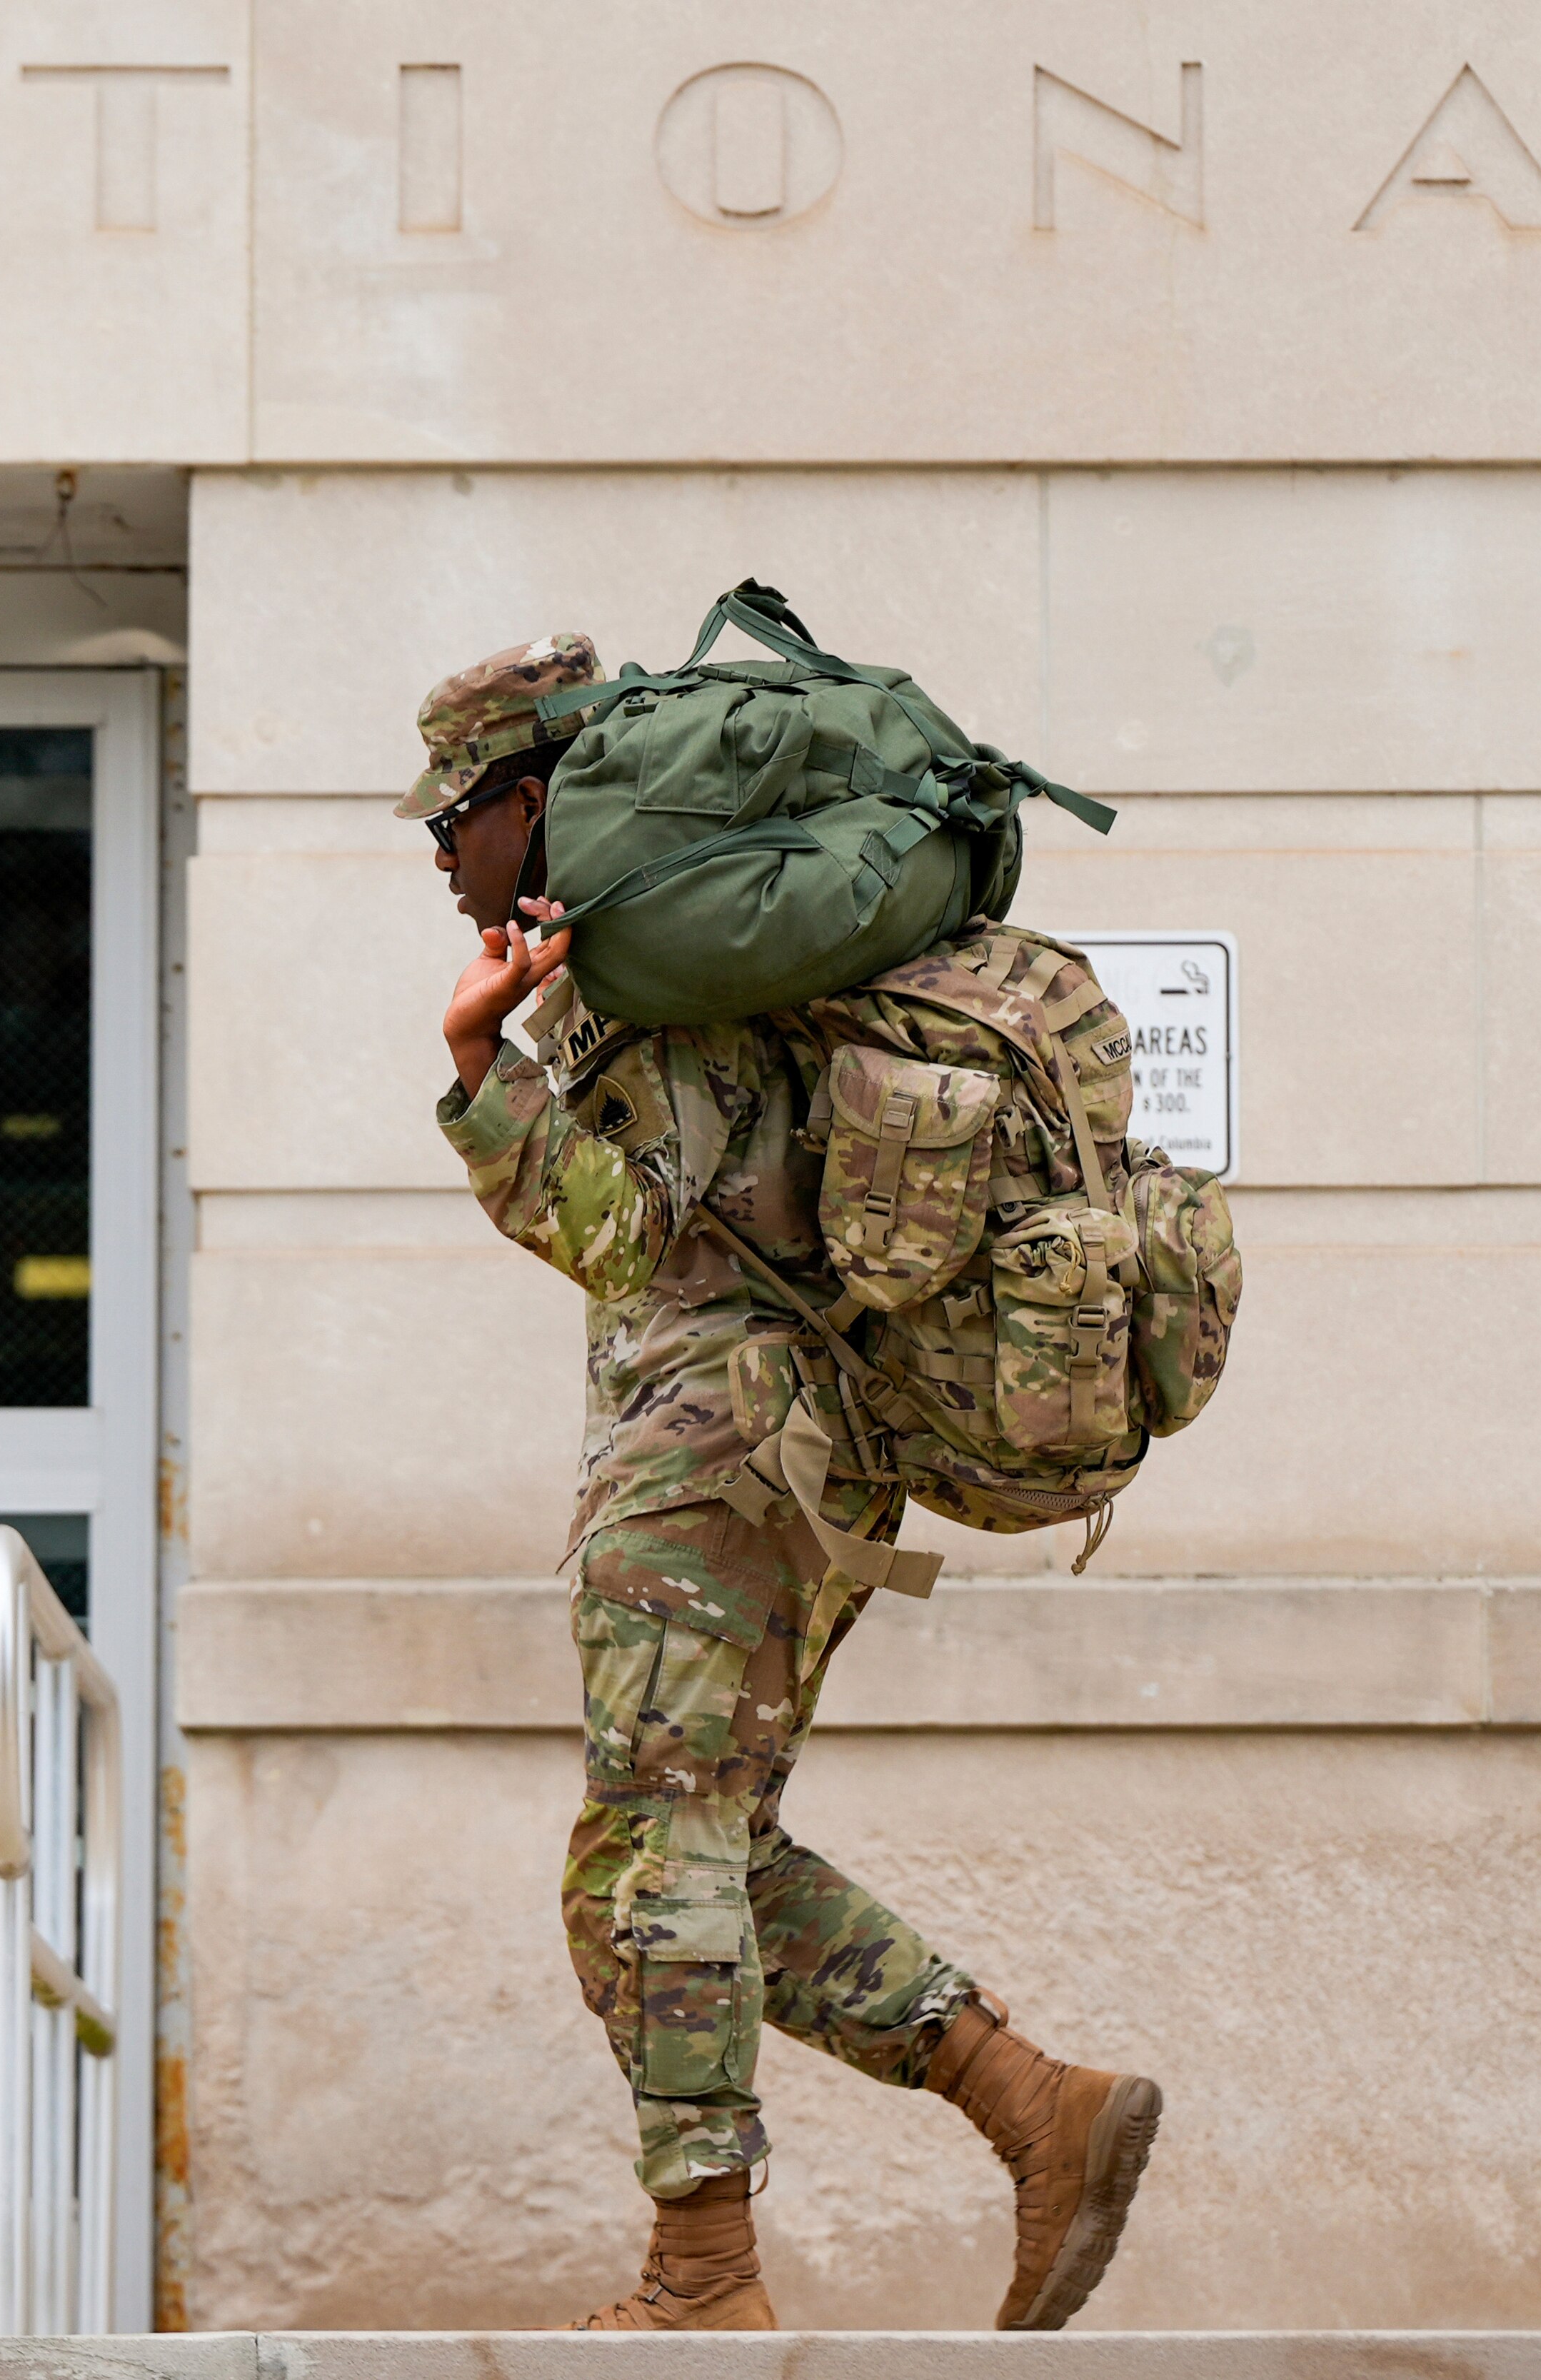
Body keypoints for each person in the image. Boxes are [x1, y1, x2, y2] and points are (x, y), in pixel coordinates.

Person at [402, 631, 1163, 2332]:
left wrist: (480, 1073)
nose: (443, 865)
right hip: (806, 1456)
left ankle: (700, 2272)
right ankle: (1032, 2101)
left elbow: (629, 1237)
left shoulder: (648, 976)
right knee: (697, 1845)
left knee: (653, 1848)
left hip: (711, 1460)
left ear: (527, 798)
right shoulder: (725, 954)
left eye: (449, 824)